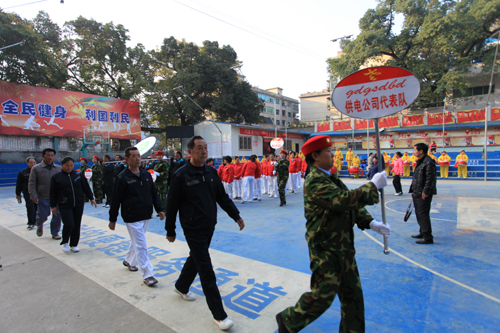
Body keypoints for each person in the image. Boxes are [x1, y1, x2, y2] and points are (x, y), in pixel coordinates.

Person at [276, 135, 390, 333]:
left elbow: (349, 207)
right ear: (316, 156)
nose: (332, 155)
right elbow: (342, 200)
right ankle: (288, 320)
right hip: (326, 248)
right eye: (328, 152)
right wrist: (372, 185)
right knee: (322, 296)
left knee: (353, 296)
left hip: (343, 246)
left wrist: (370, 222)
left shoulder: (329, 178)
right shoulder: (314, 181)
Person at [165, 136, 245, 331]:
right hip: (192, 228)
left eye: (205, 148)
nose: (204, 151)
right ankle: (220, 315)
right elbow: (172, 204)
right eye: (199, 148)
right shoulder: (181, 175)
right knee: (206, 269)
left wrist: (236, 215)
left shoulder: (210, 172)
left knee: (196, 258)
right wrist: (170, 229)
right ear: (190, 151)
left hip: (209, 225)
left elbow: (221, 197)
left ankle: (182, 286)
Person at [109, 146, 165, 286]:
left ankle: (128, 260)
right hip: (131, 215)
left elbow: (154, 193)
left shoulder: (146, 174)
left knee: (137, 240)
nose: (137, 158)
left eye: (138, 155)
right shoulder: (122, 178)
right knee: (141, 244)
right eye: (134, 156)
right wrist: (112, 219)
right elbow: (115, 199)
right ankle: (148, 274)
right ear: (127, 159)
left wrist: (159, 209)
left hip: (146, 214)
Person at [50, 157, 97, 252]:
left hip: (78, 204)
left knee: (76, 224)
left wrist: (91, 198)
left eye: (71, 165)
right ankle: (65, 242)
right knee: (69, 223)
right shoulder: (56, 177)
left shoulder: (78, 175)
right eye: (66, 165)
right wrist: (53, 206)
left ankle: (74, 244)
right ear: (62, 165)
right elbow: (52, 192)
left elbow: (85, 187)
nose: (69, 167)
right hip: (64, 204)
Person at [28, 148, 62, 239]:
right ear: (43, 156)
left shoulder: (58, 168)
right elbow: (32, 182)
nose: (50, 157)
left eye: (52, 155)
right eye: (48, 155)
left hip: (57, 197)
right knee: (43, 215)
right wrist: (33, 195)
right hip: (43, 196)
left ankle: (55, 233)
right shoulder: (36, 169)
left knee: (57, 215)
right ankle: (39, 224)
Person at [409, 143, 437, 244]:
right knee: (419, 213)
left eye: (415, 150)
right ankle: (422, 231)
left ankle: (427, 237)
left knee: (423, 214)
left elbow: (430, 179)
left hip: (423, 192)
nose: (414, 152)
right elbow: (416, 178)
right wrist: (412, 189)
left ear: (421, 151)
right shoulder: (420, 162)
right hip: (417, 191)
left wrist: (426, 191)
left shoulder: (428, 162)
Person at [16, 156, 37, 230]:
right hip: (27, 193)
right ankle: (31, 222)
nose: (33, 164)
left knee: (37, 207)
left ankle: (36, 221)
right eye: (31, 163)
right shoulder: (23, 173)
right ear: (27, 163)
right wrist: (18, 194)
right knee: (30, 207)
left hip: (37, 192)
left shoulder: (38, 171)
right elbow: (19, 184)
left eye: (34, 162)